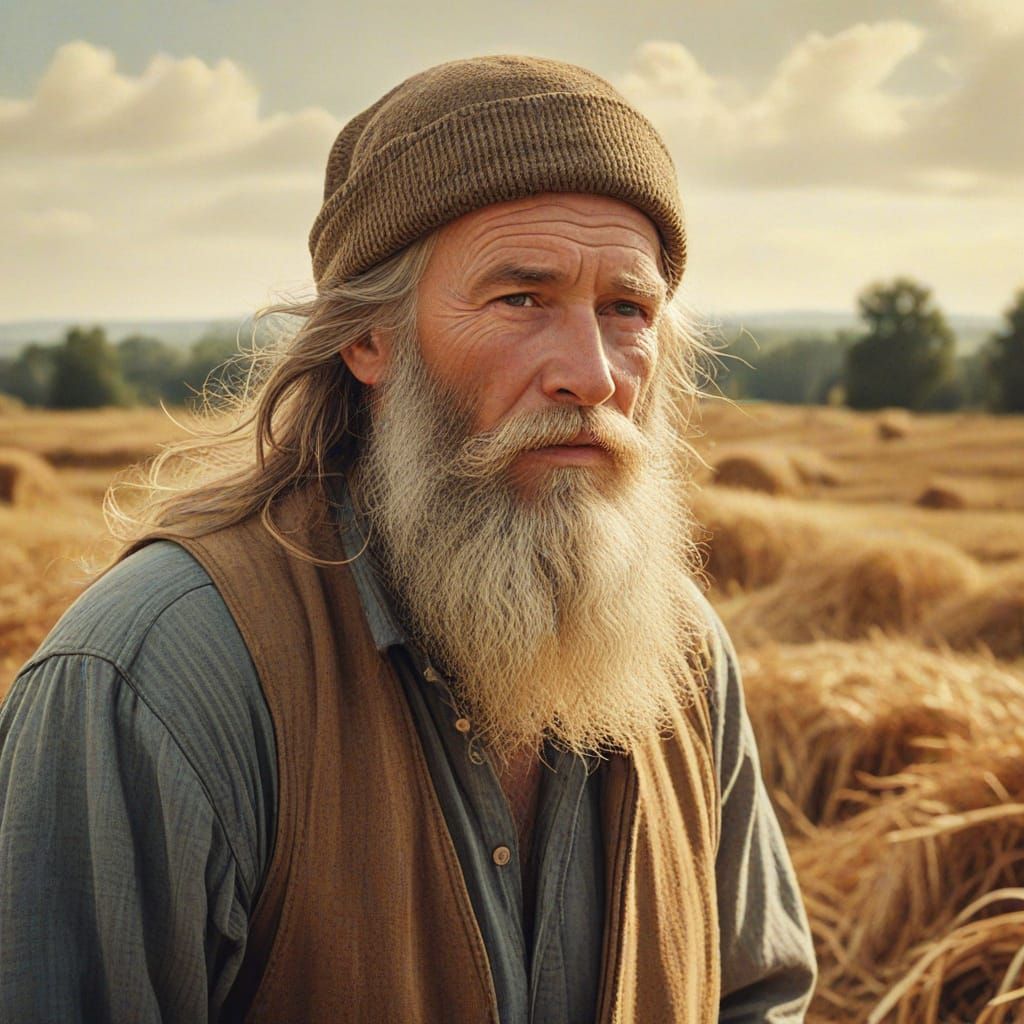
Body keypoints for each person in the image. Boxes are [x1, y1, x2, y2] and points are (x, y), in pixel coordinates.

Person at [0, 55, 816, 1022]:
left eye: (626, 310)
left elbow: (755, 997)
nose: (591, 375)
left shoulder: (682, 657)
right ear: (369, 338)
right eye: (521, 298)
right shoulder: (160, 678)